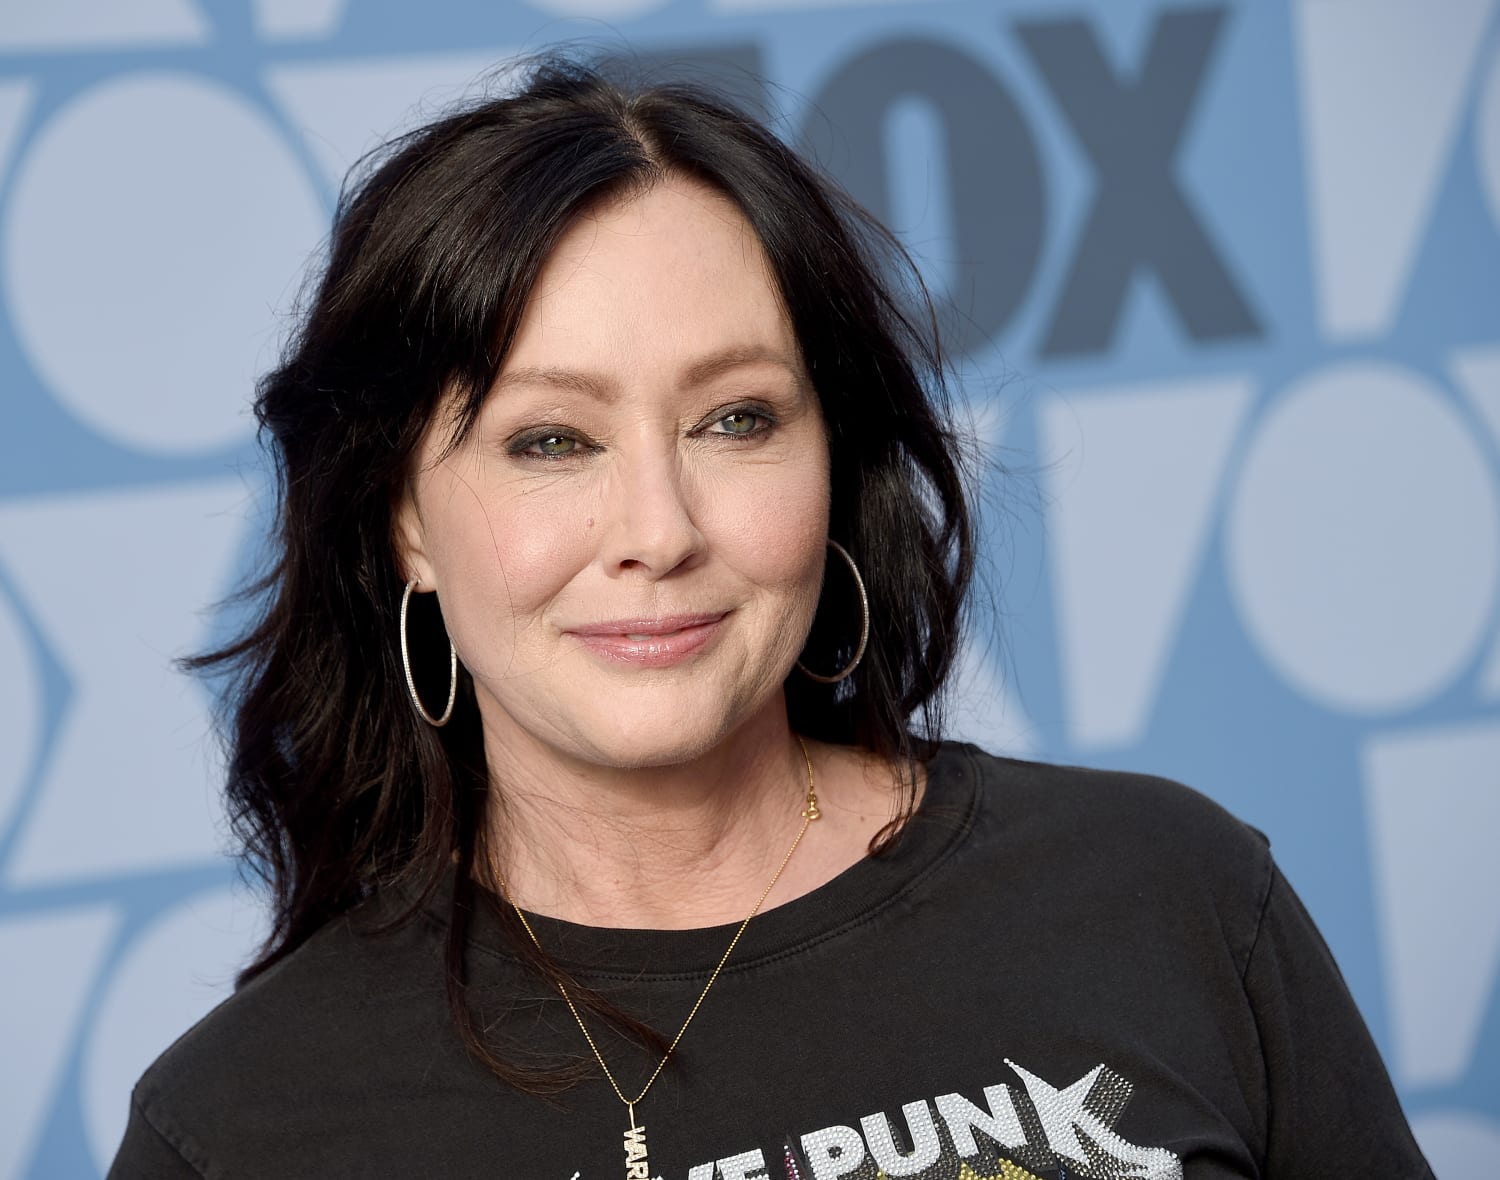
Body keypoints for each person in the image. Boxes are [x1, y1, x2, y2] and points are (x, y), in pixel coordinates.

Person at [108, 58, 1432, 1179]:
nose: (661, 529)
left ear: (831, 460)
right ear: (403, 518)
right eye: (552, 440)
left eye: (737, 419)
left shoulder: (1167, 895)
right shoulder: (241, 1125)